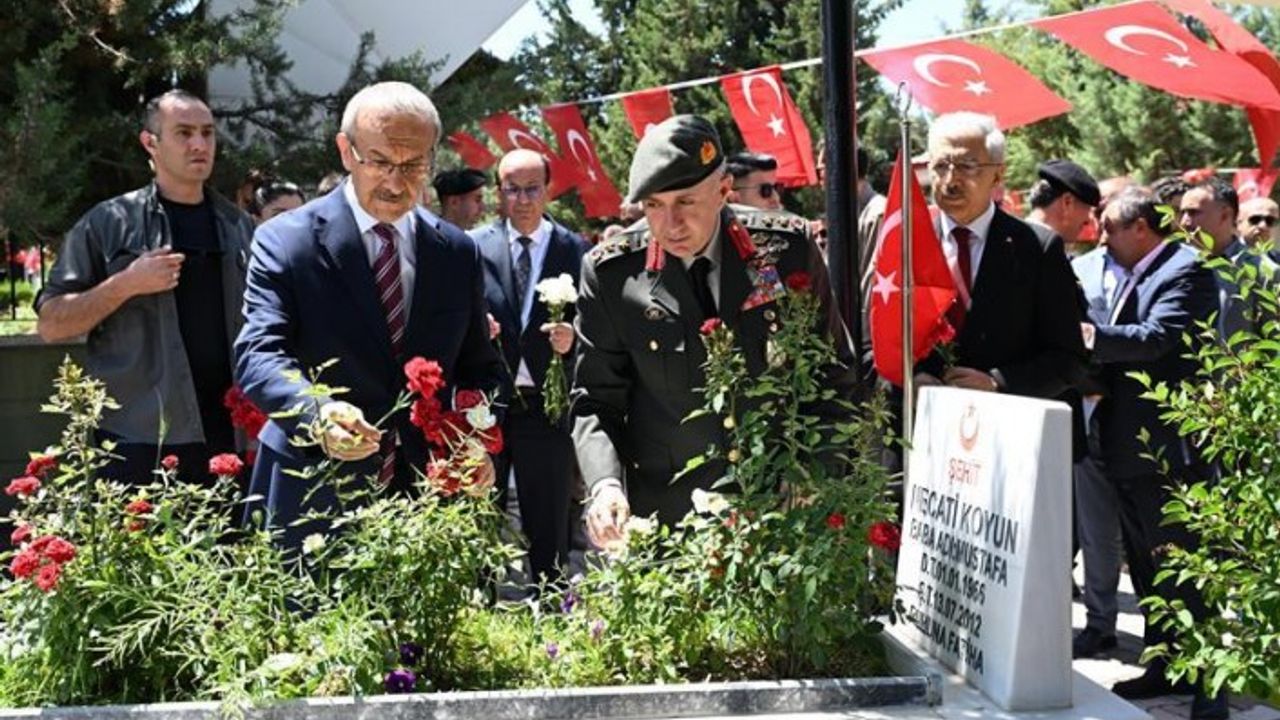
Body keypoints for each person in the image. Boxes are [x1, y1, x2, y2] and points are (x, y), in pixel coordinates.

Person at [235, 81, 505, 549]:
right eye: (380, 162)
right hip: (314, 490)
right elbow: (260, 355)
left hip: (426, 497)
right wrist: (317, 412)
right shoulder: (286, 241)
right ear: (346, 151)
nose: (396, 182)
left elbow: (478, 366)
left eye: (414, 165)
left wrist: (474, 435)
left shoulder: (457, 251)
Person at [572, 115, 856, 545]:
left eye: (685, 202)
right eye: (653, 206)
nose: (670, 224)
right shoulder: (613, 272)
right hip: (671, 524)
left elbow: (834, 374)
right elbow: (595, 399)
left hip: (783, 511)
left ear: (724, 190)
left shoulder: (786, 249)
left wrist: (814, 467)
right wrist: (605, 485)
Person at [36, 89, 254, 486]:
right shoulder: (109, 223)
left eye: (207, 133)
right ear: (150, 143)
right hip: (140, 438)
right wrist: (125, 284)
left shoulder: (239, 227)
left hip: (231, 432)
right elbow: (51, 323)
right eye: (184, 133)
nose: (199, 144)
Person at [1076, 187, 1227, 720]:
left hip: (1167, 451)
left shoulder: (1187, 271)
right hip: (1124, 447)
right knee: (1144, 568)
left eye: (1111, 229)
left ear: (1142, 228)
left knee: (1184, 567)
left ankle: (1212, 683)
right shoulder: (1138, 270)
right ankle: (1166, 664)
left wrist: (1091, 338)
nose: (1103, 239)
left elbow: (1159, 337)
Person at [470, 148, 590, 586]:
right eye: (512, 189)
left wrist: (572, 338)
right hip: (490, 406)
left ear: (548, 190)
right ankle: (478, 606)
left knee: (549, 517)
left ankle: (554, 606)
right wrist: (475, 326)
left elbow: (594, 324)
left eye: (531, 189)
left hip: (547, 404)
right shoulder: (474, 247)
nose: (522, 199)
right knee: (482, 512)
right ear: (499, 192)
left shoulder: (574, 249)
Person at [914, 112, 1085, 398]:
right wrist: (912, 379)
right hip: (924, 426)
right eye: (941, 166)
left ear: (998, 174)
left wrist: (998, 382)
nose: (950, 180)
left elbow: (1069, 358)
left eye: (967, 167)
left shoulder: (1037, 248)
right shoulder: (907, 247)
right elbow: (876, 346)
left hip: (1006, 427)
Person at [1180, 177, 1278, 342]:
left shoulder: (1262, 271)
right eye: (1182, 213)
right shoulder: (1173, 264)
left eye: (1193, 212)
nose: (1184, 222)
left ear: (1225, 215)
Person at [1026, 159, 1100, 248]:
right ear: (1067, 202)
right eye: (1087, 208)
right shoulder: (1047, 247)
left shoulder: (1012, 237)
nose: (1088, 219)